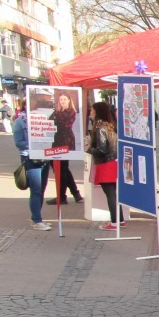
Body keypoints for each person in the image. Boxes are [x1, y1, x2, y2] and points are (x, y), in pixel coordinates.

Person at [13, 102, 51, 230]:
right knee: (36, 190)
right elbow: (19, 143)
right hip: (30, 158)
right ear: (26, 106)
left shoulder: (44, 119)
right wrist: (35, 143)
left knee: (42, 189)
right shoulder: (20, 122)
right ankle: (36, 220)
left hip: (44, 157)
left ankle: (38, 218)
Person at [88, 102, 122, 231]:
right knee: (113, 193)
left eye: (92, 110)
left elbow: (102, 149)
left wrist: (89, 149)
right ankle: (119, 220)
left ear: (98, 112)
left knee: (110, 194)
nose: (91, 112)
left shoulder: (100, 128)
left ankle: (115, 221)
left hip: (105, 164)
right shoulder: (110, 126)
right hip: (113, 162)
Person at [47, 91, 83, 205]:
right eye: (61, 99)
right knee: (60, 167)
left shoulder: (70, 111)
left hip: (66, 139)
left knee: (62, 167)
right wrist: (56, 118)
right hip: (57, 138)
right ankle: (75, 194)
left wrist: (57, 118)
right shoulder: (58, 111)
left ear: (68, 100)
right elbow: (50, 120)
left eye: (64, 99)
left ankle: (63, 196)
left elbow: (64, 124)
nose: (62, 101)